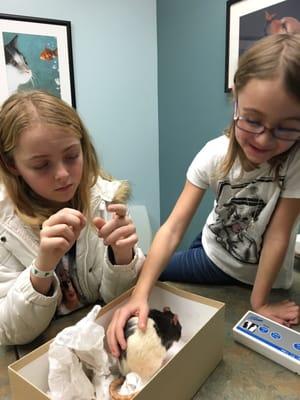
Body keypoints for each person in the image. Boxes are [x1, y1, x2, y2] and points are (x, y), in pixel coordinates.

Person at [107, 33, 300, 357]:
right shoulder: (212, 155)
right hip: (211, 255)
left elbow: (279, 236)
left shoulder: (295, 162)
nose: (265, 139)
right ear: (236, 98)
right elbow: (172, 229)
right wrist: (140, 294)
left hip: (262, 274)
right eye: (253, 120)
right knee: (143, 276)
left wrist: (260, 303)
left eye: (287, 127)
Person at [0, 90, 145, 345]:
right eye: (41, 165)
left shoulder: (105, 198)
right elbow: (8, 331)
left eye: (71, 156)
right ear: (12, 165)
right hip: (38, 356)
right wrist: (41, 269)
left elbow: (118, 301)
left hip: (102, 340)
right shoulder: (5, 227)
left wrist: (123, 258)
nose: (63, 174)